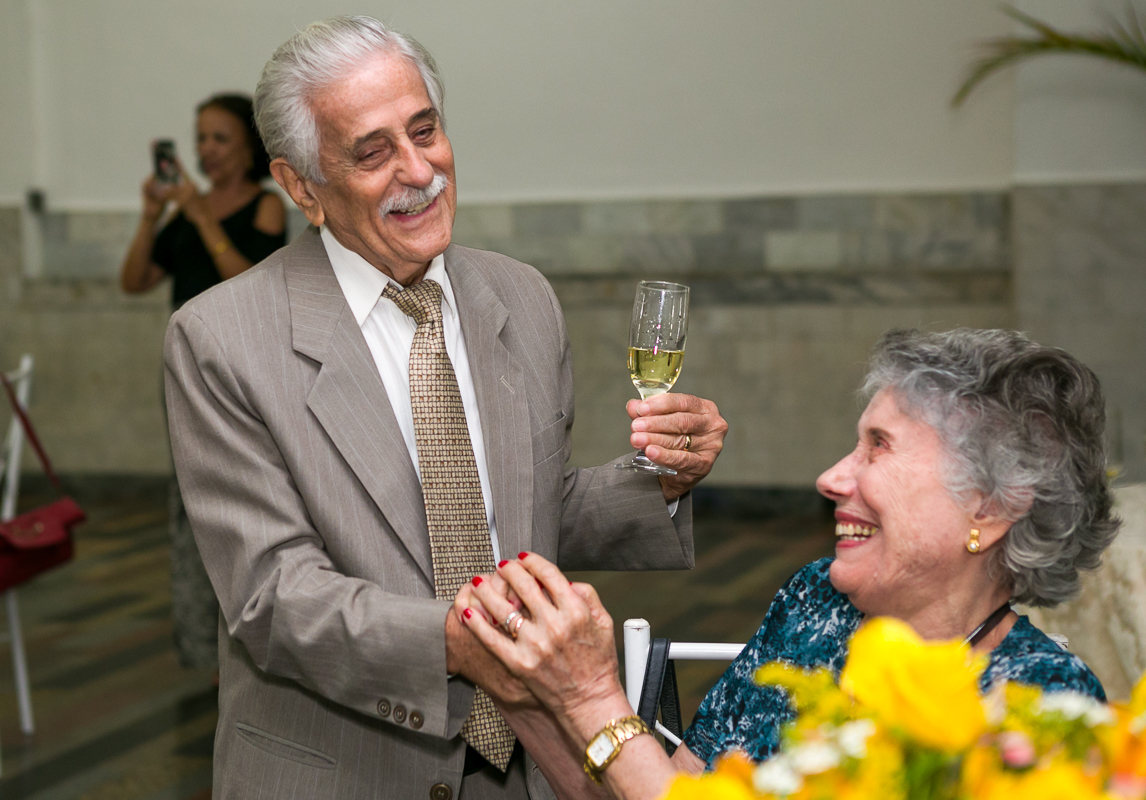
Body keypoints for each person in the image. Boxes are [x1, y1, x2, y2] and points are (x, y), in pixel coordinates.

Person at [162, 16, 728, 800]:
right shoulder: (221, 339)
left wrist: (659, 484)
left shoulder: (519, 297)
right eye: (372, 151)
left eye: (425, 131)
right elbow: (273, 595)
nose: (418, 170)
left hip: (529, 770)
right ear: (299, 187)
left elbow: (533, 513)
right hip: (344, 774)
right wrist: (460, 643)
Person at [457, 328, 1120, 800]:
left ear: (992, 506)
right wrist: (525, 691)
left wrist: (594, 698)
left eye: (878, 448)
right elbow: (680, 789)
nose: (831, 477)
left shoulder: (1041, 704)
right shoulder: (817, 607)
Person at [121, 93, 286, 669]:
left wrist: (199, 216)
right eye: (199, 140)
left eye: (218, 139)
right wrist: (151, 215)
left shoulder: (264, 206)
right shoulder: (184, 211)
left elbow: (250, 281)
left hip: (241, 369)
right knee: (187, 506)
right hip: (184, 370)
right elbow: (135, 280)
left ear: (247, 147)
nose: (205, 152)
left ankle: (251, 643)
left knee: (241, 502)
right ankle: (203, 647)